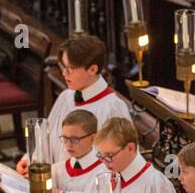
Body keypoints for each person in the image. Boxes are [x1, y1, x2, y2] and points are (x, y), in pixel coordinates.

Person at [18, 35, 130, 173]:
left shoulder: (112, 108)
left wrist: (56, 176)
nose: (64, 73)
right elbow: (46, 137)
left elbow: (109, 164)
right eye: (63, 66)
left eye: (70, 68)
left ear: (92, 69)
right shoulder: (66, 97)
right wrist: (31, 160)